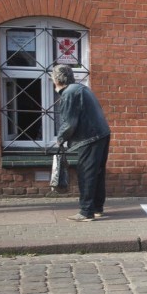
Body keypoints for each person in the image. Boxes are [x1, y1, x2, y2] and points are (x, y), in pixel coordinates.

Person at [51, 65, 111, 222]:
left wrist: (60, 138)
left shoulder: (69, 93)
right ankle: (97, 208)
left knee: (86, 173)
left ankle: (86, 212)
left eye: (52, 78)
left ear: (57, 79)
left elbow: (69, 123)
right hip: (100, 134)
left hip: (90, 137)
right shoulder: (80, 89)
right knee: (97, 173)